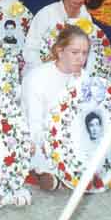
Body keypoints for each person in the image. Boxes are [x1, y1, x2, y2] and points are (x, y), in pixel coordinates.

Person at [21, 25, 90, 190]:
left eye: (84, 53)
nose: (80, 59)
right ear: (60, 51)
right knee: (40, 154)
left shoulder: (85, 77)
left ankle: (64, 176)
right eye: (75, 52)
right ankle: (48, 174)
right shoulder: (37, 77)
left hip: (73, 138)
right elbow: (34, 125)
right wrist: (58, 142)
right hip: (42, 137)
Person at [23, 0, 93, 70]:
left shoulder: (86, 17)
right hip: (42, 69)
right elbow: (30, 49)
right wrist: (44, 71)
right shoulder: (46, 14)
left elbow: (89, 51)